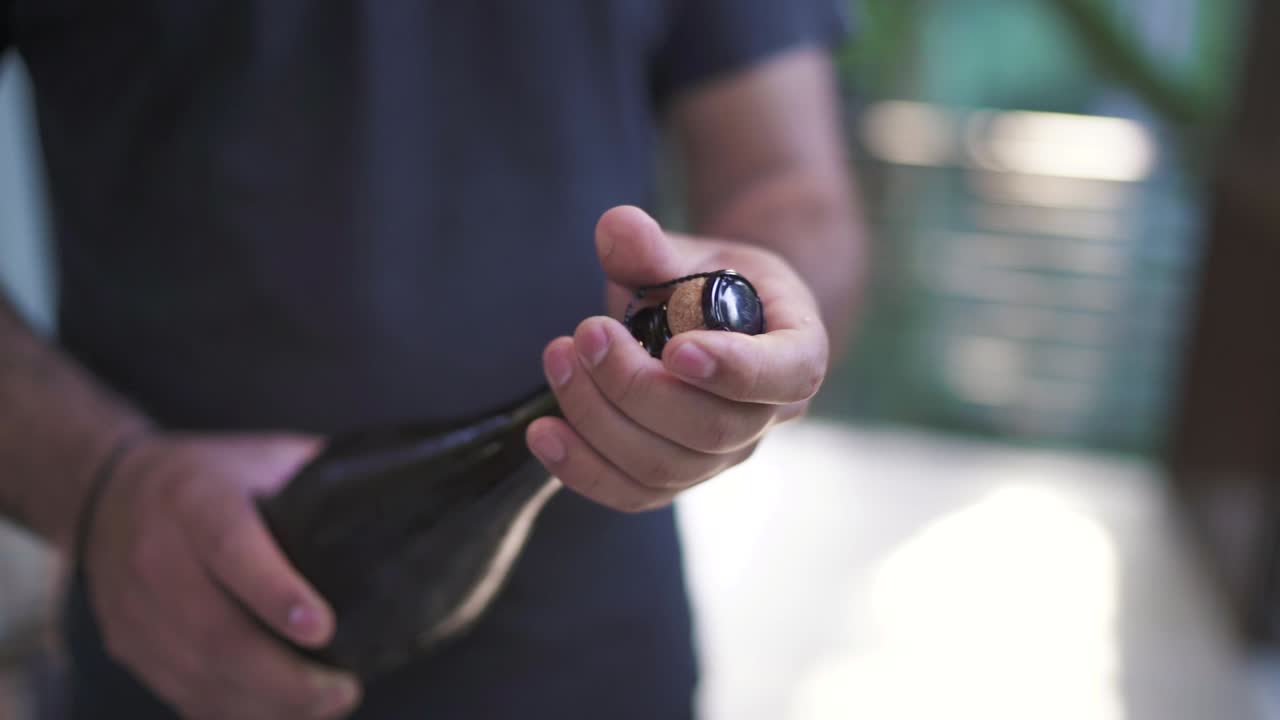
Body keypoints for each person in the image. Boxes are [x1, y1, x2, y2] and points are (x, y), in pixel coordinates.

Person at [0, 2, 864, 718]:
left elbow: (789, 188)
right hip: (183, 656)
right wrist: (102, 484)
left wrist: (769, 335)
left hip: (589, 666)